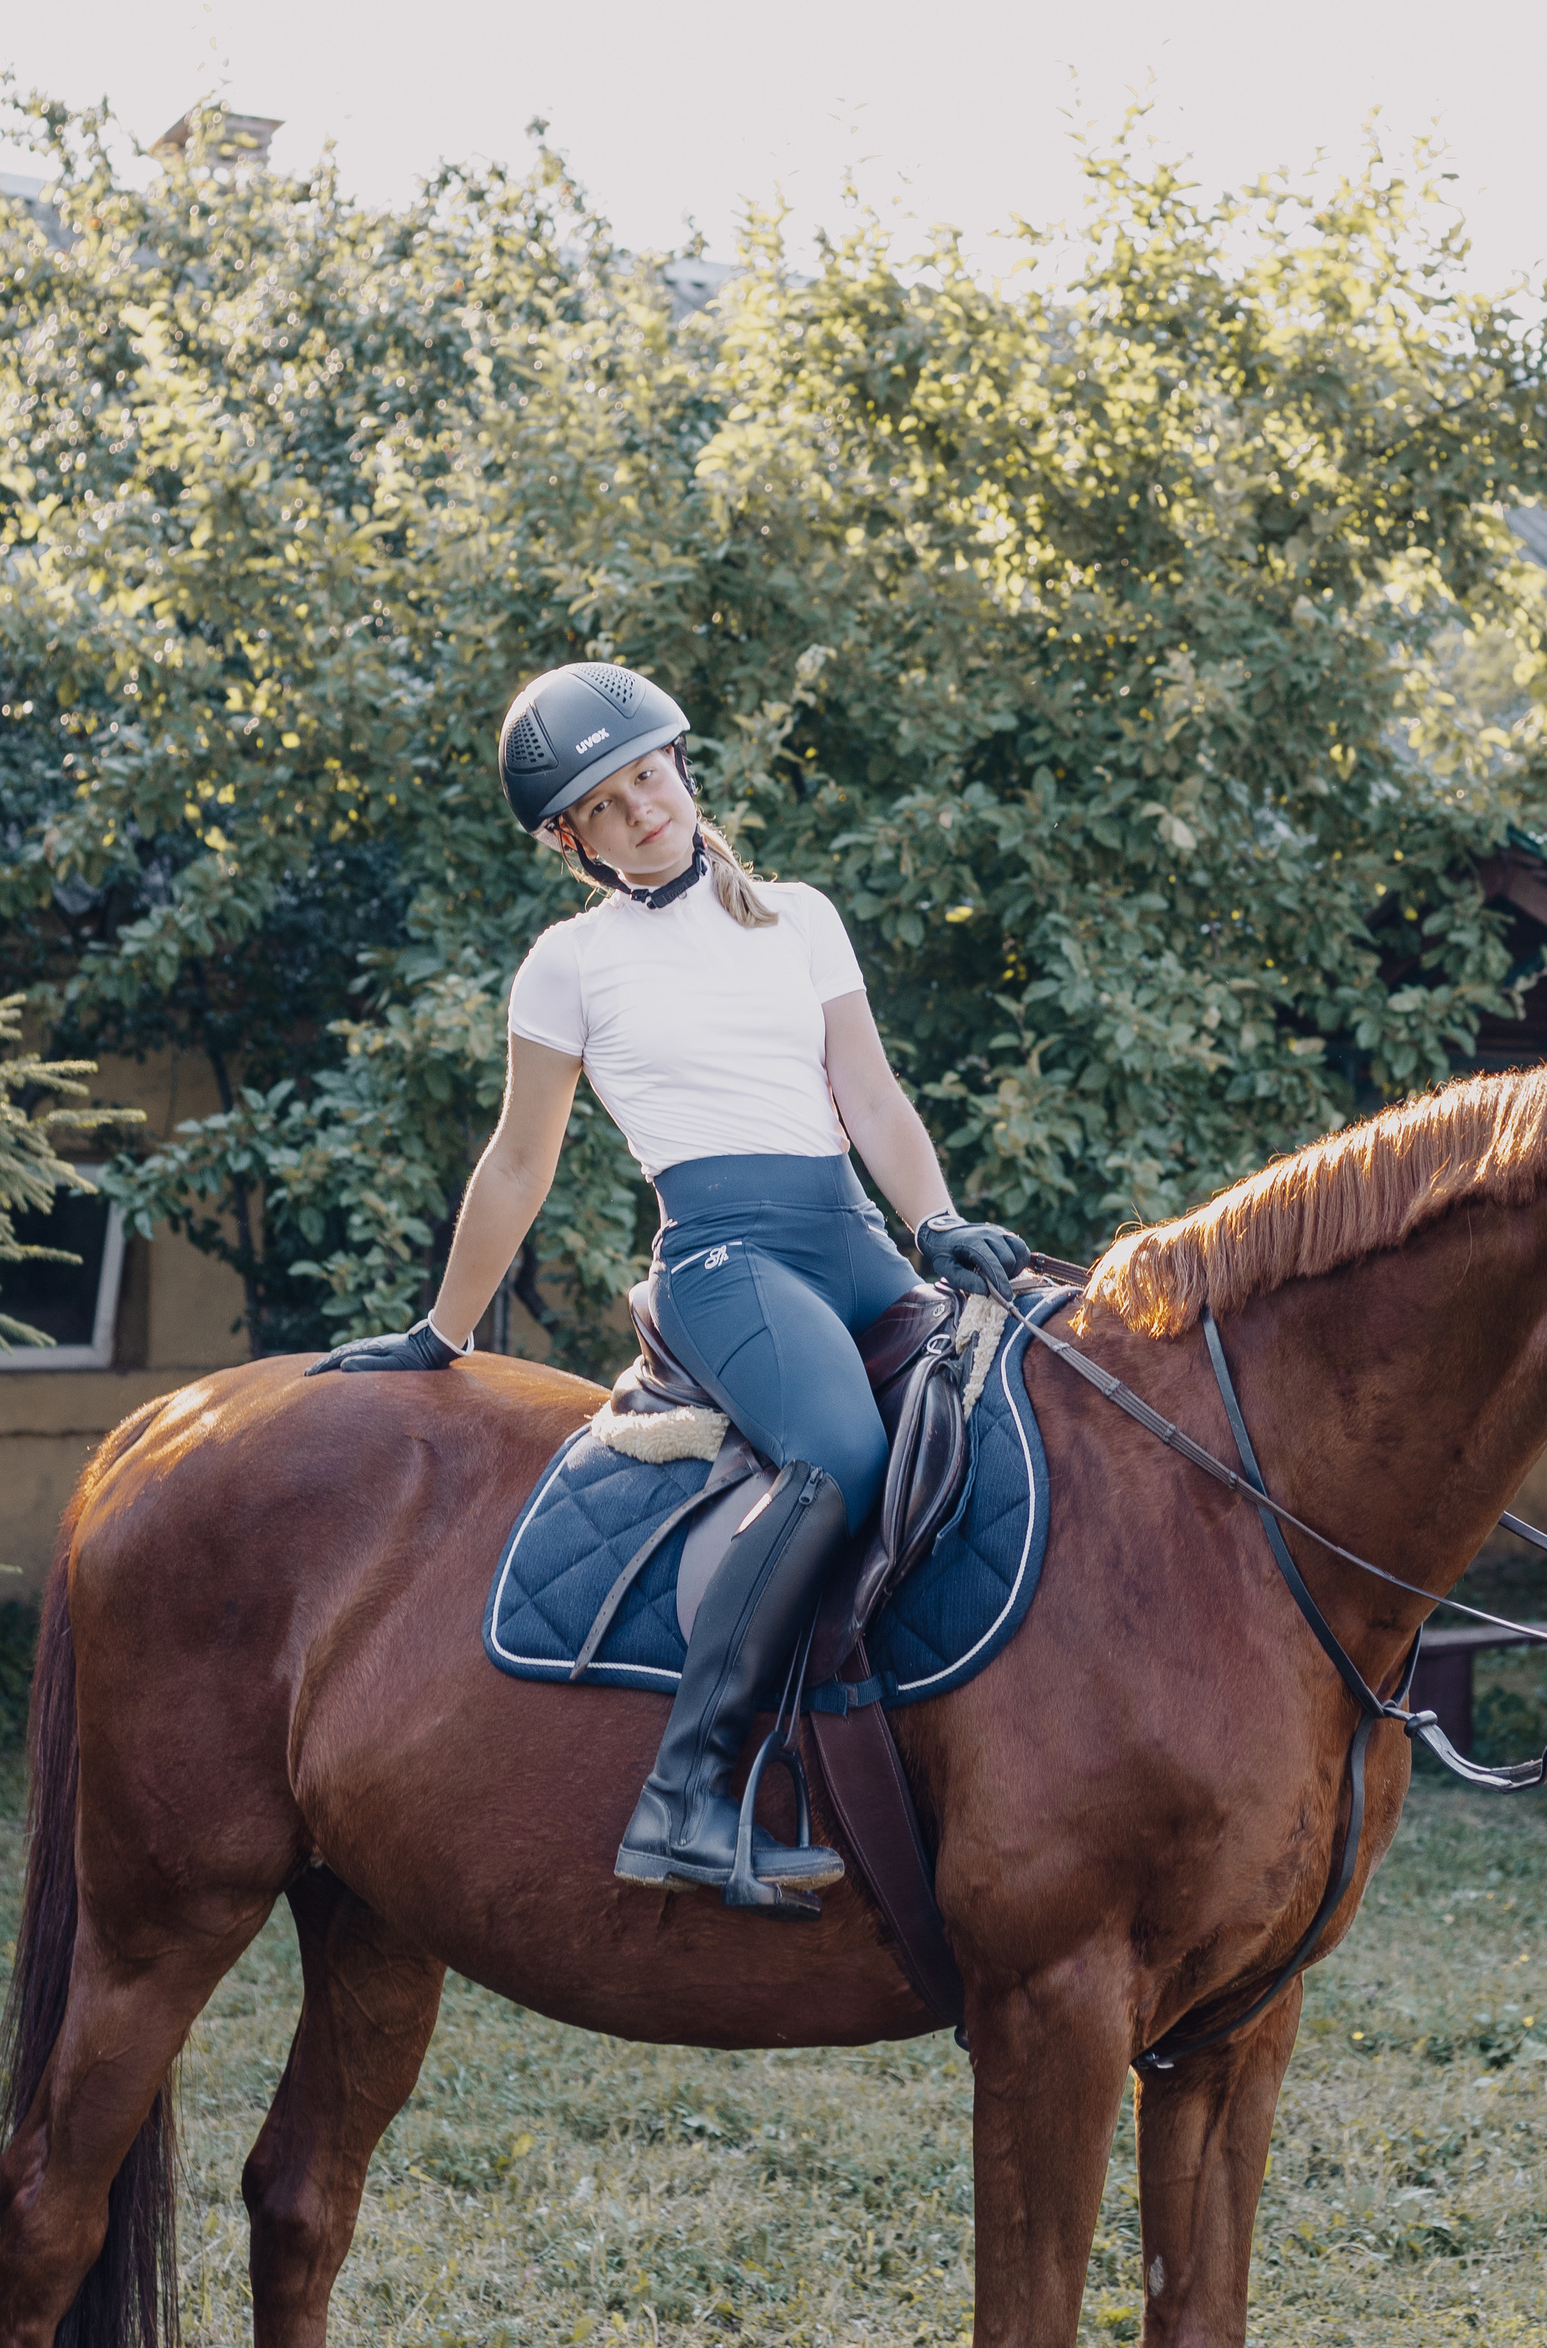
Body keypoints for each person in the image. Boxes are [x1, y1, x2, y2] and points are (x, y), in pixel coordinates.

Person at [310, 662, 1029, 1906]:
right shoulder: (567, 966)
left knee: (1013, 1390)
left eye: (651, 772)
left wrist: (939, 1221)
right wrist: (442, 1330)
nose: (645, 804)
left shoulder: (797, 914)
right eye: (607, 799)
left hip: (849, 1237)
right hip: (723, 1259)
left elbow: (868, 1093)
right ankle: (683, 1800)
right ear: (569, 837)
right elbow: (521, 1158)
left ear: (681, 768)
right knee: (840, 1458)